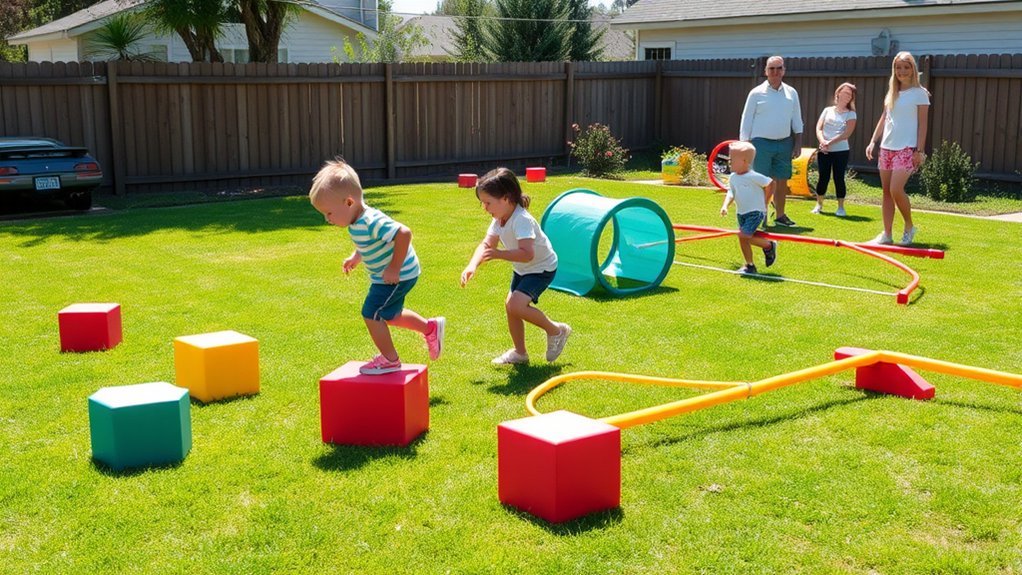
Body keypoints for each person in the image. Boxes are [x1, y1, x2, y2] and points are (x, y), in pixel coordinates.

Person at [309, 159, 445, 375]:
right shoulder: (356, 221)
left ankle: (390, 360)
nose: (327, 219)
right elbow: (371, 243)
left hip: (397, 276)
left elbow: (404, 234)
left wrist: (393, 268)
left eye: (329, 213)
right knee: (389, 315)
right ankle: (430, 328)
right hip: (394, 276)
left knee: (371, 313)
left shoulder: (370, 220)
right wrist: (356, 256)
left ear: (349, 202)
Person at [461, 167, 570, 365]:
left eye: (488, 203)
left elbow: (528, 254)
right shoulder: (500, 219)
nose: (485, 208)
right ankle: (520, 354)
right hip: (523, 268)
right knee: (511, 307)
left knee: (515, 305)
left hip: (541, 268)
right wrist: (472, 266)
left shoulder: (522, 220)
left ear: (506, 198)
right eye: (482, 203)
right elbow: (487, 245)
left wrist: (499, 254)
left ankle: (556, 330)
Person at [865, 51, 930, 245]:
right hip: (887, 147)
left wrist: (919, 151)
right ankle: (887, 234)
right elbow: (885, 119)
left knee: (896, 189)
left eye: (906, 67)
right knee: (886, 191)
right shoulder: (892, 93)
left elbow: (923, 124)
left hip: (907, 148)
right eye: (898, 67)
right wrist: (872, 141)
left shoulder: (920, 93)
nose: (902, 71)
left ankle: (909, 227)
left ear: (913, 69)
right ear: (894, 69)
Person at [739, 55, 804, 227]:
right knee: (762, 181)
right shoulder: (756, 93)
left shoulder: (792, 93)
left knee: (782, 181)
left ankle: (780, 216)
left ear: (784, 70)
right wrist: (744, 145)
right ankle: (762, 216)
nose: (775, 72)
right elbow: (746, 119)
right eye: (771, 68)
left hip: (784, 143)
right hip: (760, 143)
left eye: (779, 68)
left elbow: (797, 118)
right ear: (765, 71)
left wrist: (798, 142)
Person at [720, 141, 778, 275]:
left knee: (743, 236)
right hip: (741, 213)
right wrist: (725, 206)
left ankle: (769, 245)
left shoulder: (753, 176)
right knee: (743, 238)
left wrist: (765, 202)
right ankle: (749, 265)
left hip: (755, 212)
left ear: (744, 161)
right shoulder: (733, 177)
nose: (730, 162)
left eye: (732, 159)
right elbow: (731, 192)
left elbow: (770, 183)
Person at [813, 83, 858, 217]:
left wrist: (829, 142)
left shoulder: (851, 114)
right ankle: (819, 205)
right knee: (823, 177)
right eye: (843, 93)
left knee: (839, 178)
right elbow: (819, 128)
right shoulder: (827, 110)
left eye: (849, 95)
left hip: (841, 151)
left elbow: (846, 134)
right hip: (824, 150)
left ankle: (841, 207)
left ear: (851, 98)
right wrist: (822, 142)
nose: (845, 96)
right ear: (837, 93)